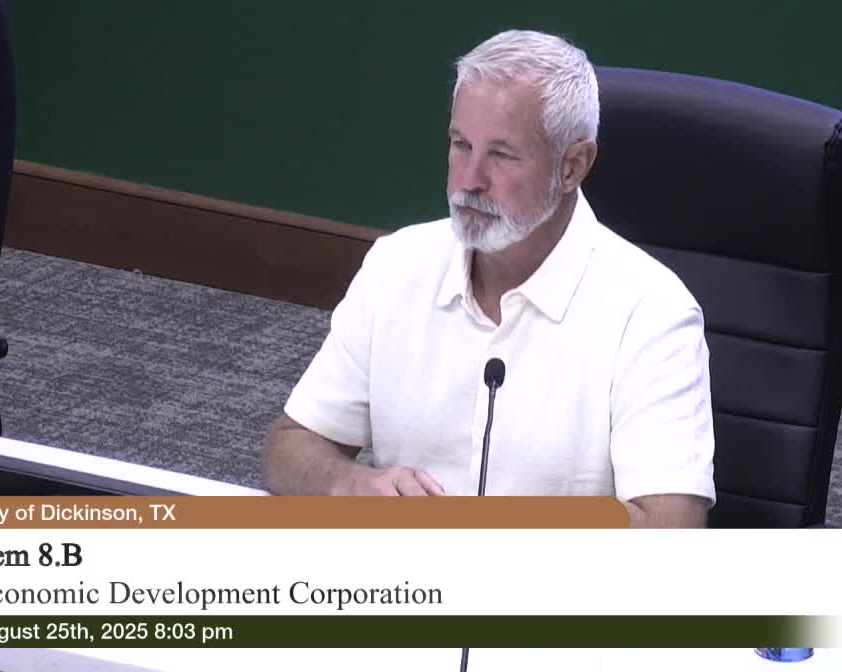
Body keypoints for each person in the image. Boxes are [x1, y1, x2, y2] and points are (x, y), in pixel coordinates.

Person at [264, 30, 715, 527]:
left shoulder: (652, 312)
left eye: (501, 155)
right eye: (461, 145)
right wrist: (347, 484)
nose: (469, 180)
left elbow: (671, 527)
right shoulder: (396, 266)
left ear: (572, 167)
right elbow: (289, 448)